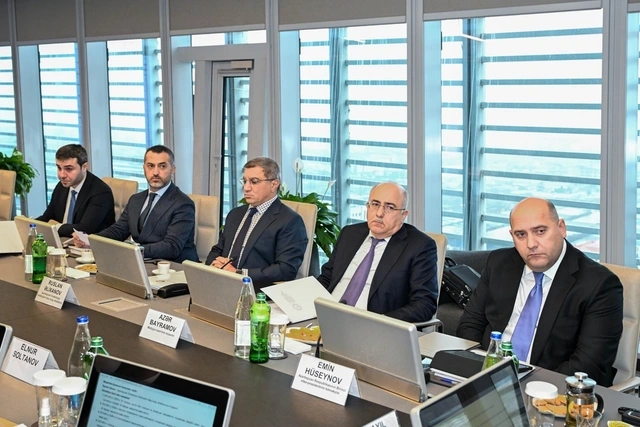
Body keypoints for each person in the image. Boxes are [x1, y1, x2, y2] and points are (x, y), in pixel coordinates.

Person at [457, 197, 623, 386]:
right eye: (521, 234)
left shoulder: (599, 285)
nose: (531, 244)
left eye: (540, 231)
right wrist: (482, 372)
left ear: (561, 228)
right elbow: (469, 325)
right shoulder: (498, 264)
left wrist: (528, 387)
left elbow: (588, 365)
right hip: (489, 379)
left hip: (552, 390)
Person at [317, 182, 438, 323]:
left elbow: (424, 305)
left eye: (390, 207)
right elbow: (327, 278)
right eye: (375, 204)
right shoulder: (349, 234)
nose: (379, 213)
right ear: (367, 207)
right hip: (323, 316)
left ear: (403, 214)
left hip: (370, 325)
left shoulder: (419, 246)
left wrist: (380, 322)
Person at [74, 145, 198, 263]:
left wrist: (133, 250)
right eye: (150, 166)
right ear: (144, 168)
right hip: (143, 262)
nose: (155, 172)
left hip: (174, 268)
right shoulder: (136, 199)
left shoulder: (183, 204)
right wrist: (91, 239)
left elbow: (172, 247)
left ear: (172, 170)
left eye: (162, 166)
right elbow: (118, 231)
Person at [205, 157, 307, 291]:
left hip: (256, 291)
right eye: (245, 181)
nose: (246, 188)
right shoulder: (235, 214)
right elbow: (217, 249)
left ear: (274, 184)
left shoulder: (290, 221)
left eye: (254, 182)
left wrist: (239, 273)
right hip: (221, 283)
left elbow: (286, 269)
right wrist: (217, 262)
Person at [37, 144, 115, 237]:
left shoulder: (101, 192)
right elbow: (47, 217)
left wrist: (55, 227)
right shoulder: (62, 186)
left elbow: (84, 228)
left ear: (84, 167)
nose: (62, 175)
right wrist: (30, 224)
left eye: (69, 169)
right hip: (63, 240)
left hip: (88, 244)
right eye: (59, 168)